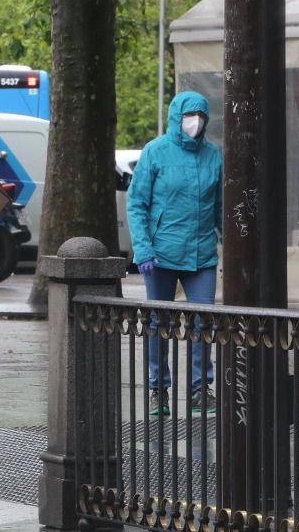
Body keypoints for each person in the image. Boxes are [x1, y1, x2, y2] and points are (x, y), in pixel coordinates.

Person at [126, 90, 222, 416]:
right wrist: (143, 249)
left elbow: (220, 208)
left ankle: (200, 390)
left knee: (203, 321)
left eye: (201, 116)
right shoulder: (155, 152)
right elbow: (136, 203)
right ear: (175, 118)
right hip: (161, 254)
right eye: (189, 116)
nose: (195, 122)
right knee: (158, 323)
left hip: (201, 253)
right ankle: (158, 390)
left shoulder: (213, 156)